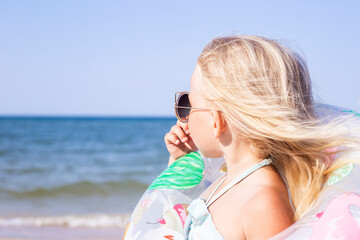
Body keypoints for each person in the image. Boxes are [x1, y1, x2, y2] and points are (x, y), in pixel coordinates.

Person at [163, 35, 360, 240]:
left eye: (188, 104)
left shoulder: (262, 202)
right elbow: (171, 208)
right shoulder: (227, 180)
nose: (184, 116)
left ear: (216, 122)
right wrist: (178, 160)